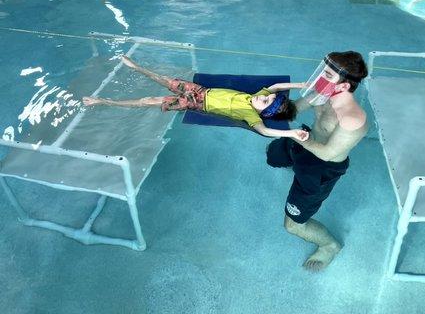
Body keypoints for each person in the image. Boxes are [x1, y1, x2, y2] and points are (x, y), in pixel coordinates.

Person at [266, 51, 369, 271]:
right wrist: (265, 105)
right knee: (272, 155)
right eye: (322, 71)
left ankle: (330, 245)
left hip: (321, 168)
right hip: (305, 142)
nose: (320, 78)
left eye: (328, 75)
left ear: (343, 86)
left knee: (293, 225)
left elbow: (328, 154)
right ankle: (290, 160)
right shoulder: (324, 91)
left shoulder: (352, 118)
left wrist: (296, 137)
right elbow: (294, 110)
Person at [83, 56, 309, 141]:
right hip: (200, 90)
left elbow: (265, 131)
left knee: (149, 100)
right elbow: (277, 86)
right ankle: (138, 68)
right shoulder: (258, 95)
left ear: (265, 113)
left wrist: (291, 133)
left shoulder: (250, 115)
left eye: (267, 103)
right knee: (163, 79)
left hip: (195, 103)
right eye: (268, 97)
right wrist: (301, 85)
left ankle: (103, 102)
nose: (265, 98)